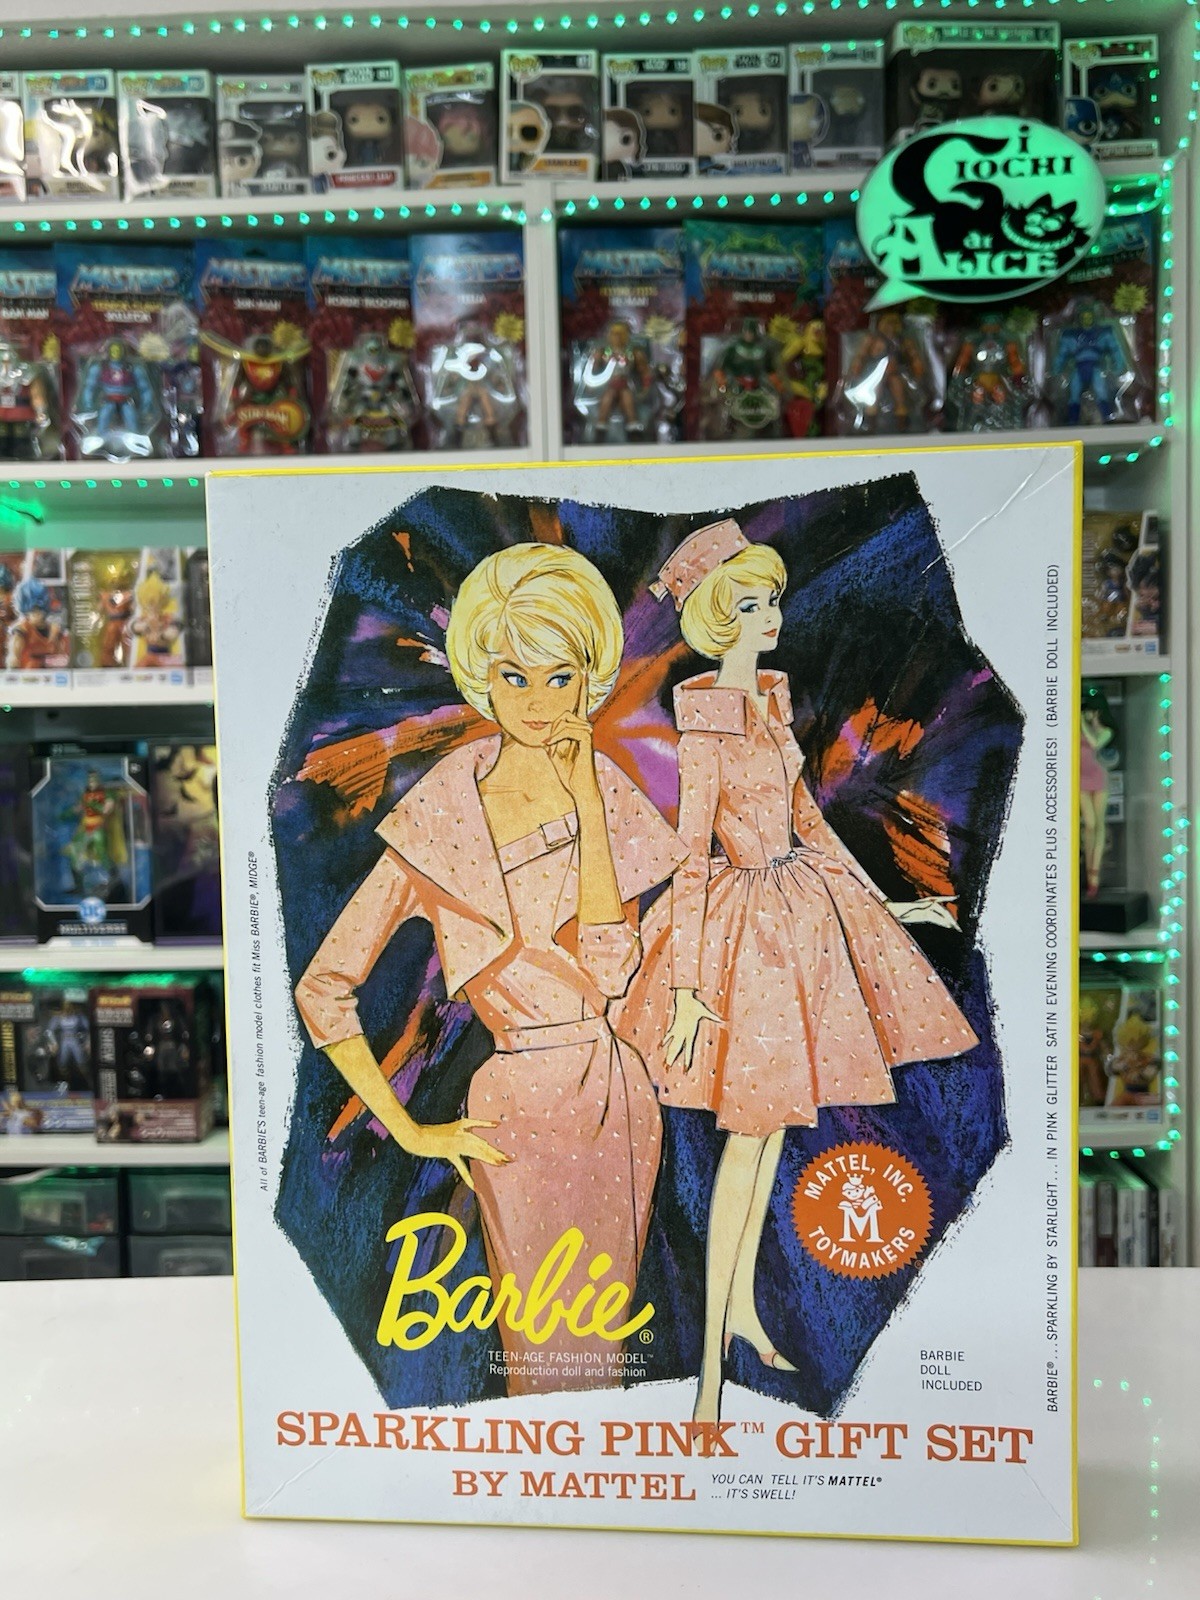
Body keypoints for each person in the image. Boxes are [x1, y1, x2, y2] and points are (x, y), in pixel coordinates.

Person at [294, 542, 685, 1395]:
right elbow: (323, 986)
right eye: (515, 677)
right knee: (544, 1357)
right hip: (515, 1104)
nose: (540, 702)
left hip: (618, 1095)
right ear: (481, 677)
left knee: (599, 1355)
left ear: (589, 678)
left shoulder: (608, 790)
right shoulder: (440, 815)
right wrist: (409, 1129)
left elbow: (611, 966)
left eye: (560, 677)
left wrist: (587, 805)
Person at [622, 518, 979, 1424]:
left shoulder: (770, 700)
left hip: (797, 917)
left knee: (773, 1133)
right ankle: (708, 1378)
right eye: (748, 605)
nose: (769, 616)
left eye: (771, 599)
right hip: (741, 939)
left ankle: (742, 1314)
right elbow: (692, 860)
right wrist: (689, 989)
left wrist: (887, 907)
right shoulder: (706, 719)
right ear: (715, 617)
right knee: (747, 1143)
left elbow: (809, 825)